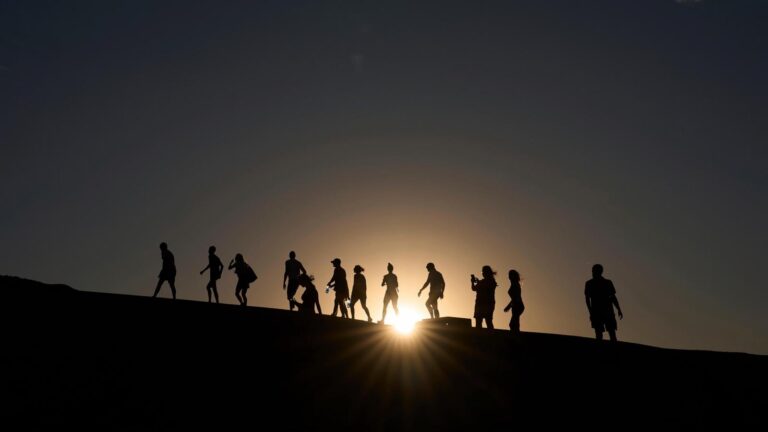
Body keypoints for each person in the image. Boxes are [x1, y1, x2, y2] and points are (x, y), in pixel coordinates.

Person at [585, 264, 623, 342]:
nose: (593, 272)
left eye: (594, 271)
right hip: (597, 311)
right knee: (599, 334)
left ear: (600, 272)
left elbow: (613, 297)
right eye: (593, 271)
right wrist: (591, 312)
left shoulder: (607, 283)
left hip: (607, 311)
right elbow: (587, 299)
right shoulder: (589, 283)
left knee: (612, 333)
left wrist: (618, 309)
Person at [503, 270, 525, 334]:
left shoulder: (515, 284)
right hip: (515, 305)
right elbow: (514, 298)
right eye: (509, 275)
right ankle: (515, 335)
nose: (509, 276)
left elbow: (516, 297)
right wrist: (510, 306)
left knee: (513, 323)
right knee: (514, 323)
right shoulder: (514, 284)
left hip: (518, 305)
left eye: (511, 275)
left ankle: (516, 336)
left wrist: (509, 306)